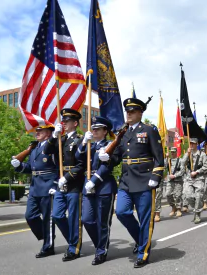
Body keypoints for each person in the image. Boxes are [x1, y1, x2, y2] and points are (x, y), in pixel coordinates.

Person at [110, 98, 164, 268]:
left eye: (132, 111)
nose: (129, 114)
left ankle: (143, 252)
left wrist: (155, 177)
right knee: (122, 212)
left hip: (144, 179)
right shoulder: (123, 132)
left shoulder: (149, 130)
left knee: (145, 219)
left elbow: (159, 157)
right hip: (126, 180)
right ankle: (140, 239)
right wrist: (107, 158)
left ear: (140, 113)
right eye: (127, 111)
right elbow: (118, 157)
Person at [75, 116, 117, 265]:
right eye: (93, 128)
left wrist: (94, 181)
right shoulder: (89, 146)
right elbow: (77, 158)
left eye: (98, 129)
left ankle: (101, 251)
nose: (94, 131)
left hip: (104, 186)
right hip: (88, 186)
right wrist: (84, 142)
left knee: (102, 222)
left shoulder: (110, 145)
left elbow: (107, 166)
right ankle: (100, 243)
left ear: (105, 131)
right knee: (86, 219)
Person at [10, 125, 57, 258]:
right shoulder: (34, 148)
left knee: (48, 219)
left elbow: (59, 167)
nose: (37, 133)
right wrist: (19, 166)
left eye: (40, 131)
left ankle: (48, 247)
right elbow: (31, 168)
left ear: (48, 134)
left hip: (48, 186)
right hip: (35, 187)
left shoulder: (52, 148)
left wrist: (55, 184)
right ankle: (47, 236)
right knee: (30, 216)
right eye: (37, 131)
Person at [44, 109, 84, 262]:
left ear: (74, 123)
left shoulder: (80, 140)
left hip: (73, 183)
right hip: (60, 183)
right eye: (63, 121)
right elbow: (47, 151)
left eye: (67, 122)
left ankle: (74, 248)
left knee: (74, 218)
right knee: (57, 215)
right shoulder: (60, 139)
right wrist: (54, 136)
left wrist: (67, 177)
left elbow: (81, 164)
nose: (64, 124)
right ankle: (72, 240)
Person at [182, 137, 207, 224]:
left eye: (193, 143)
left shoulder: (202, 155)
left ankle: (197, 214)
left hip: (199, 178)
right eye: (190, 143)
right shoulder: (188, 154)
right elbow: (182, 163)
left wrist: (197, 171)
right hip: (189, 179)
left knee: (198, 197)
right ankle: (198, 206)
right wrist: (187, 154)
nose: (191, 145)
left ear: (197, 144)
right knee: (188, 196)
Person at [165, 147, 185, 217]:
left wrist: (175, 176)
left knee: (178, 195)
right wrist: (166, 158)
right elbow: (164, 166)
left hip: (178, 180)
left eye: (173, 152)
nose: (172, 153)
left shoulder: (180, 160)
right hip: (170, 181)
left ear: (176, 152)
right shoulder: (168, 160)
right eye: (171, 152)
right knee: (168, 194)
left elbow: (182, 171)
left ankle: (179, 209)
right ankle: (173, 207)